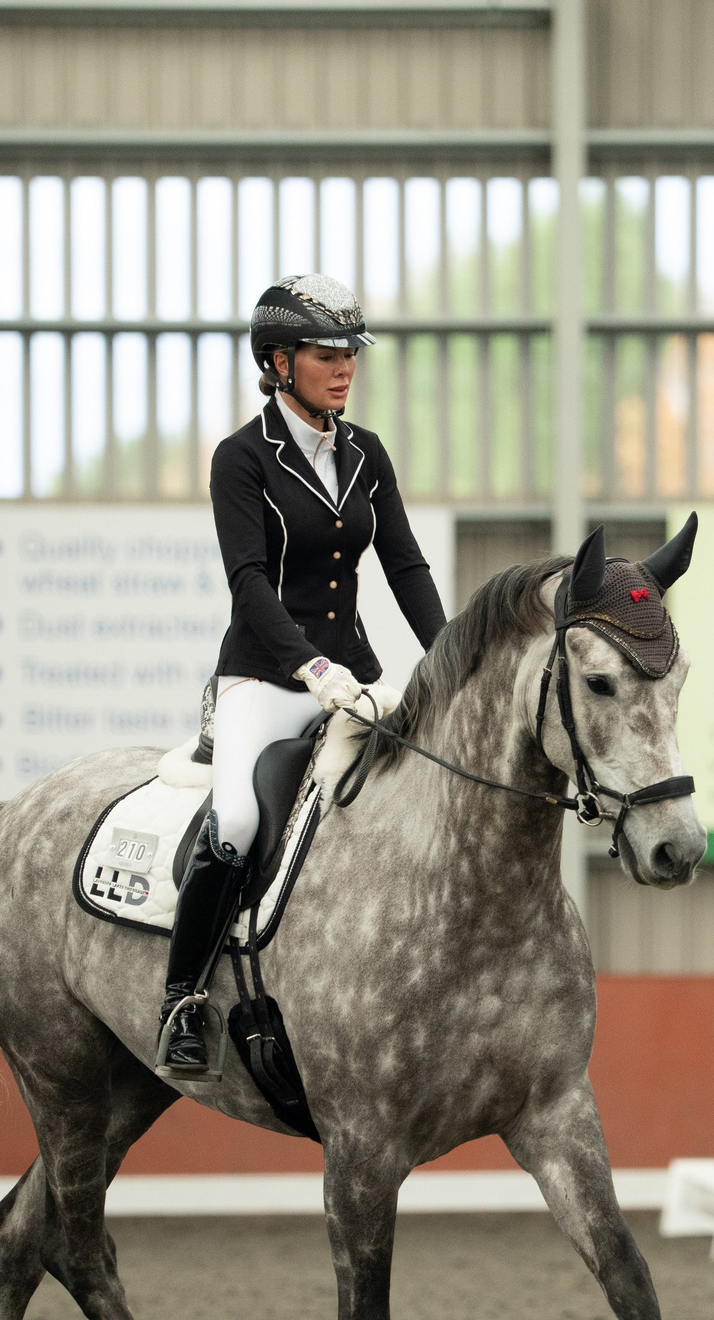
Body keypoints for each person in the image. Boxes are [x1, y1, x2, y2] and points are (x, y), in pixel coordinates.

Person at [157, 273, 449, 1078]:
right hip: (266, 680)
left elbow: (405, 565)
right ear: (280, 361)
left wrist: (453, 657)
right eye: (327, 354)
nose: (345, 367)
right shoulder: (241, 458)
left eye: (350, 352)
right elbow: (248, 582)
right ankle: (182, 999)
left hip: (354, 678)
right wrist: (309, 665)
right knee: (237, 824)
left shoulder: (366, 454)